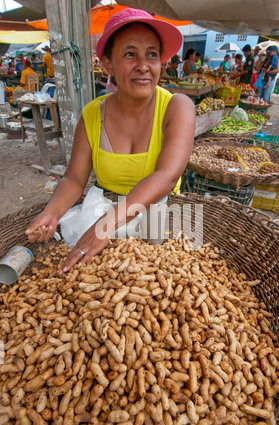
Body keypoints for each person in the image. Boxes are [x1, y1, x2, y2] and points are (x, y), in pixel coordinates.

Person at [25, 7, 195, 274]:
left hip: (159, 219)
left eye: (152, 55)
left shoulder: (178, 106)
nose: (143, 66)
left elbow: (167, 176)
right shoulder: (93, 114)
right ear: (107, 65)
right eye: (130, 54)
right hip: (101, 213)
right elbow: (74, 179)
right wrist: (52, 212)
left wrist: (104, 227)